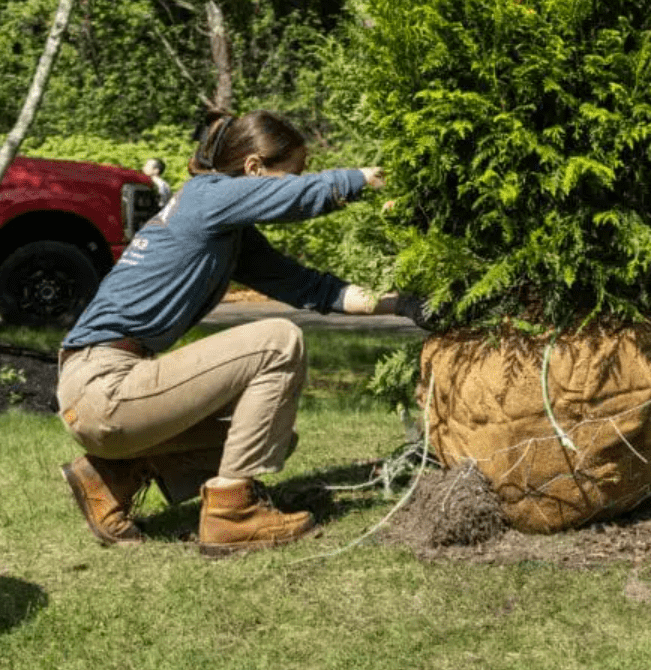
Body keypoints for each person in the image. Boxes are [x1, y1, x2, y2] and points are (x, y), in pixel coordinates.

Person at [57, 109, 417, 556]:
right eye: (292, 174)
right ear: (252, 169)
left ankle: (111, 477)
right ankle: (231, 513)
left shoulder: (227, 230)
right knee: (279, 341)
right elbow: (306, 197)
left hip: (103, 389)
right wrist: (367, 179)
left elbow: (308, 287)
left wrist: (400, 303)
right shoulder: (208, 196)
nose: (295, 183)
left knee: (274, 435)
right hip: (104, 388)